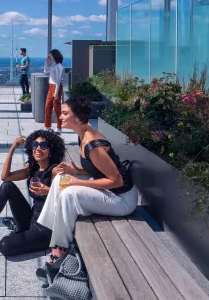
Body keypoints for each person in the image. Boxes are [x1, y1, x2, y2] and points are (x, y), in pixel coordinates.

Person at [37, 96, 138, 264]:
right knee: (60, 178)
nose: (60, 117)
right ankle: (48, 228)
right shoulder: (82, 135)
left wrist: (79, 181)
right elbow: (99, 168)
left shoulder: (93, 144)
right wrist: (77, 171)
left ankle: (61, 246)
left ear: (77, 117)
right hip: (108, 191)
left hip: (122, 200)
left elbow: (117, 181)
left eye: (64, 113)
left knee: (70, 193)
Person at [0, 130, 65, 255]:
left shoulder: (55, 171)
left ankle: (20, 230)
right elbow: (6, 176)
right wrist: (13, 148)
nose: (38, 148)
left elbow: (67, 196)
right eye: (35, 145)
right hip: (32, 219)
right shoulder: (32, 168)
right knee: (7, 186)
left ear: (51, 149)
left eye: (43, 145)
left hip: (45, 229)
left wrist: (48, 191)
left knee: (4, 245)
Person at [43, 49, 64, 132]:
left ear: (54, 55)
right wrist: (46, 62)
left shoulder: (58, 66)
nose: (49, 56)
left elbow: (58, 80)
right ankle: (47, 126)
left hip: (56, 88)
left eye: (50, 55)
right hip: (50, 87)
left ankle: (59, 127)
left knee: (57, 108)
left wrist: (56, 93)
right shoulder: (53, 65)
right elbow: (45, 71)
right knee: (47, 107)